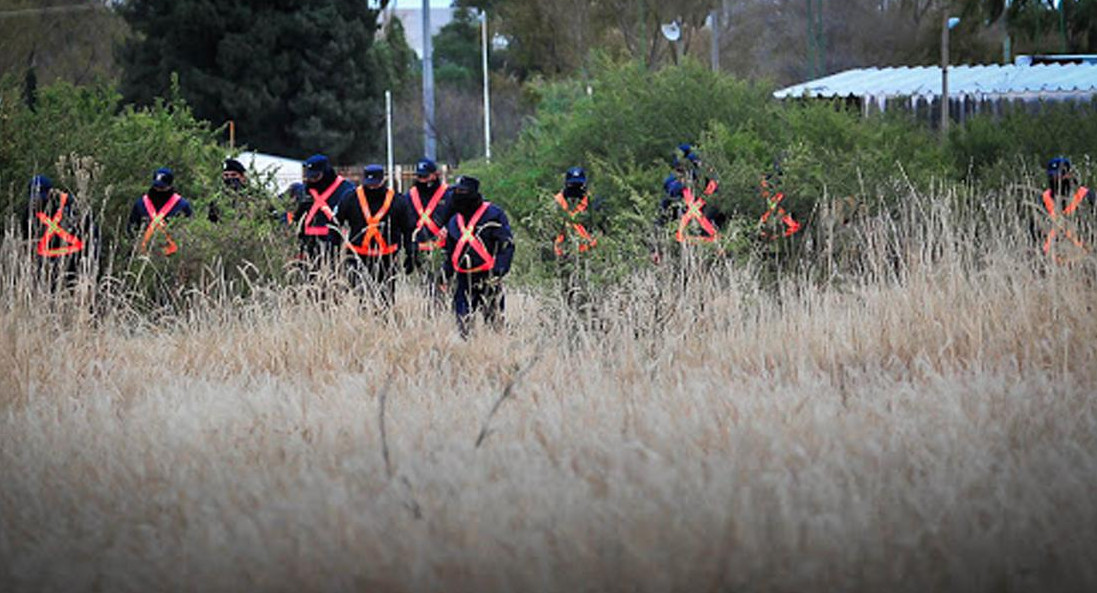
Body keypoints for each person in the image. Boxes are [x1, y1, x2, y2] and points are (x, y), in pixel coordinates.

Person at [331, 164, 416, 306]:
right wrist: (332, 251)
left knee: (385, 299)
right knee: (362, 298)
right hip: (357, 258)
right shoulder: (350, 198)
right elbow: (335, 224)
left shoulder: (397, 201)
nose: (371, 188)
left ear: (383, 181)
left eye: (375, 185)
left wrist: (410, 253)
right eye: (368, 185)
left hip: (387, 259)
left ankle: (383, 326)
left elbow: (408, 229)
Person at [441, 176, 514, 337]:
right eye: (456, 191)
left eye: (462, 191)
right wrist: (445, 275)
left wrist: (499, 270)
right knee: (463, 322)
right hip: (462, 278)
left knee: (495, 322)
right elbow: (450, 251)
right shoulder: (454, 220)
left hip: (488, 276)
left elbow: (507, 244)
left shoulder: (493, 214)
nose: (458, 195)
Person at [22, 175, 97, 285]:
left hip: (74, 256)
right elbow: (27, 238)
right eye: (35, 197)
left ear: (51, 193)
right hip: (48, 259)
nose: (38, 201)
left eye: (41, 197)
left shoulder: (68, 205)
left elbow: (89, 229)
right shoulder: (30, 212)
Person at [405, 158, 452, 304]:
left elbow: (458, 216)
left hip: (444, 250)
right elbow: (404, 222)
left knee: (446, 287)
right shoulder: (410, 196)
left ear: (435, 175)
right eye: (419, 176)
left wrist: (448, 228)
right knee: (428, 290)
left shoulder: (448, 194)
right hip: (420, 251)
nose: (422, 180)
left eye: (425, 176)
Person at [293, 154, 354, 260]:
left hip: (336, 244)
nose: (312, 180)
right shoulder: (304, 191)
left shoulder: (346, 190)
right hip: (309, 245)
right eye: (310, 177)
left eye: (316, 176)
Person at [128, 168, 193, 256]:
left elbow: (189, 233)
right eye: (156, 186)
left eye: (162, 187)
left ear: (170, 186)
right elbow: (131, 229)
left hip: (172, 257)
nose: (158, 190)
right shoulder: (141, 204)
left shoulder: (181, 205)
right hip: (143, 255)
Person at [1040, 157, 1094, 262]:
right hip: (1050, 260)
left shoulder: (1087, 197)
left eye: (1059, 175)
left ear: (1069, 175)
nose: (1056, 179)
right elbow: (1034, 230)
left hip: (1083, 259)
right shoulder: (1043, 199)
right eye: (1052, 176)